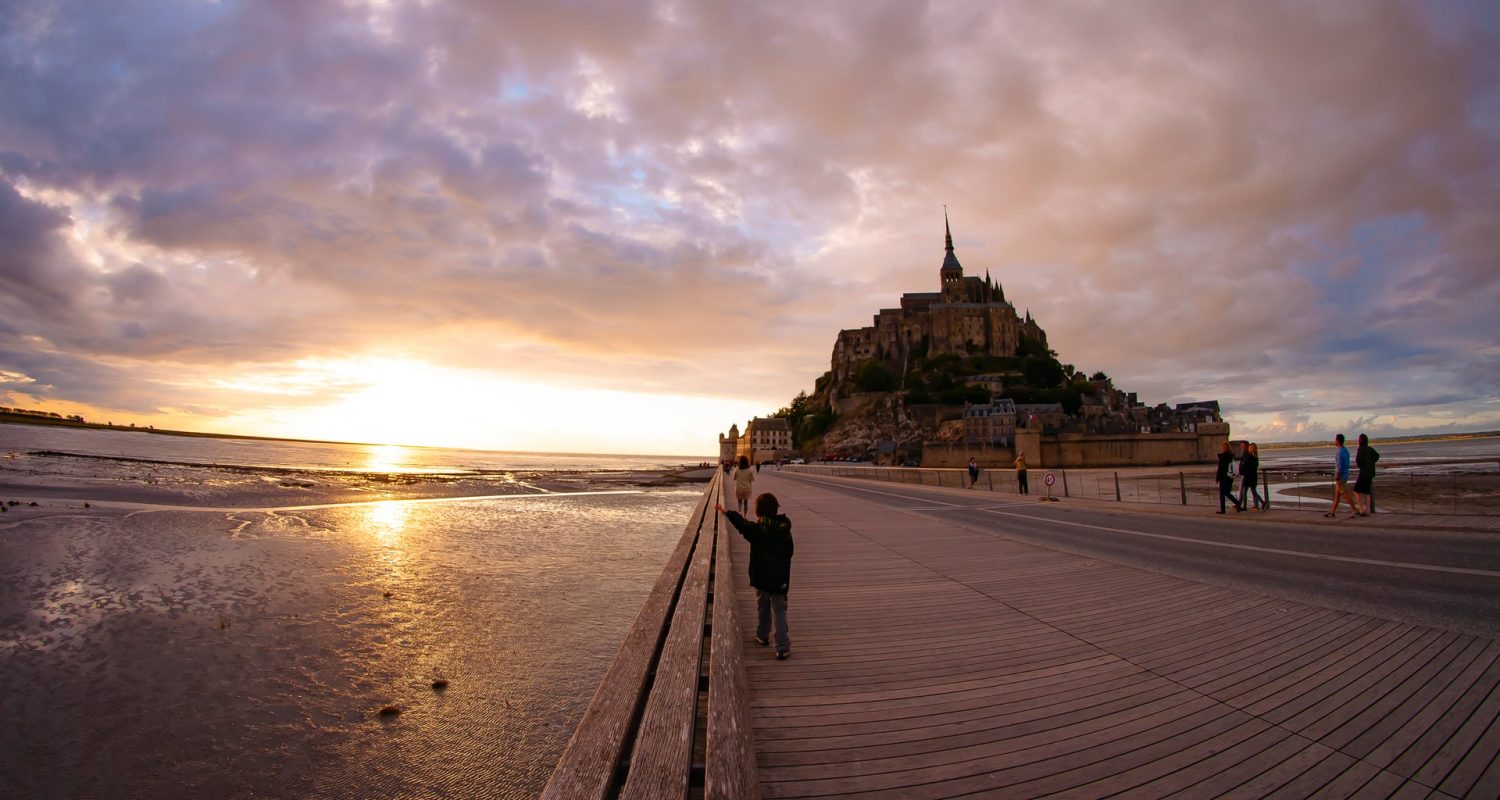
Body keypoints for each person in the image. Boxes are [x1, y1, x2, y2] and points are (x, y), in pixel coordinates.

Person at [716, 493, 794, 659]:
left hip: (762, 578)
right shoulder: (784, 528)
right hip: (780, 579)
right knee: (780, 610)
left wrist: (727, 512)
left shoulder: (759, 530)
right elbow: (790, 552)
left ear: (758, 511)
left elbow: (743, 525)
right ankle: (782, 646)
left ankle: (762, 635)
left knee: (763, 606)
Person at [1326, 433, 1361, 518]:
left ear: (1338, 441)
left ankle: (1355, 510)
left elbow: (1339, 466)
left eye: (1335, 439)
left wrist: (1337, 476)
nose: (1334, 441)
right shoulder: (1345, 450)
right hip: (1345, 475)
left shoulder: (1340, 452)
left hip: (1341, 476)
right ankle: (1332, 512)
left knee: (1345, 494)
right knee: (1337, 495)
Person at [1355, 433, 1380, 515]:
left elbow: (1358, 462)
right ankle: (1368, 510)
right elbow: (1377, 456)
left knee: (1356, 491)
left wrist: (1364, 465)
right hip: (1370, 473)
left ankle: (1362, 509)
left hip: (1363, 473)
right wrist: (1371, 462)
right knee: (1367, 492)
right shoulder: (1369, 449)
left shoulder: (1361, 450)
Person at [1216, 441, 1243, 514]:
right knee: (1226, 493)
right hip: (1230, 476)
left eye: (1223, 447)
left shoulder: (1223, 457)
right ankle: (1235, 505)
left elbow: (1220, 468)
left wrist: (1217, 477)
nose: (1222, 448)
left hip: (1224, 476)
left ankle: (1236, 504)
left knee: (1224, 493)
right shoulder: (1230, 456)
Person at [1239, 442, 1266, 511]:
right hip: (1253, 476)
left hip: (1248, 476)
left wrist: (1242, 466)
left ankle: (1244, 507)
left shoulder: (1249, 456)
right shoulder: (1255, 457)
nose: (1248, 448)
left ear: (1251, 448)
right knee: (1254, 492)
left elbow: (1245, 465)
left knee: (1244, 492)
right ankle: (1262, 503)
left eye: (1249, 447)